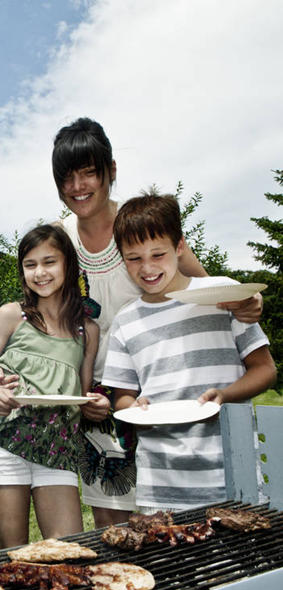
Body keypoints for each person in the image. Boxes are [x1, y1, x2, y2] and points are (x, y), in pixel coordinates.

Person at [44, 117, 260, 527]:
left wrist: (250, 301)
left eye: (89, 172)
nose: (78, 187)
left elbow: (204, 285)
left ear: (111, 171)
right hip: (99, 390)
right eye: (66, 177)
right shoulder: (59, 236)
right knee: (110, 508)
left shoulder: (140, 225)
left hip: (163, 383)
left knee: (167, 507)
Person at [104, 191, 276, 512]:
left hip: (233, 476)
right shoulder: (125, 321)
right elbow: (123, 396)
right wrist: (135, 407)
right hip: (161, 486)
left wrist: (224, 395)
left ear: (179, 246)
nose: (147, 268)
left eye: (158, 254)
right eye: (134, 258)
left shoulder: (222, 294)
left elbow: (265, 369)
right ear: (121, 257)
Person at [0, 224, 110, 548]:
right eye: (30, 264)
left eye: (50, 262)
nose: (40, 272)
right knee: (11, 549)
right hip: (9, 442)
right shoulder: (11, 315)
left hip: (58, 448)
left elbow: (82, 395)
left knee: (67, 548)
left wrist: (96, 407)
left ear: (68, 265)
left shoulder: (86, 329)